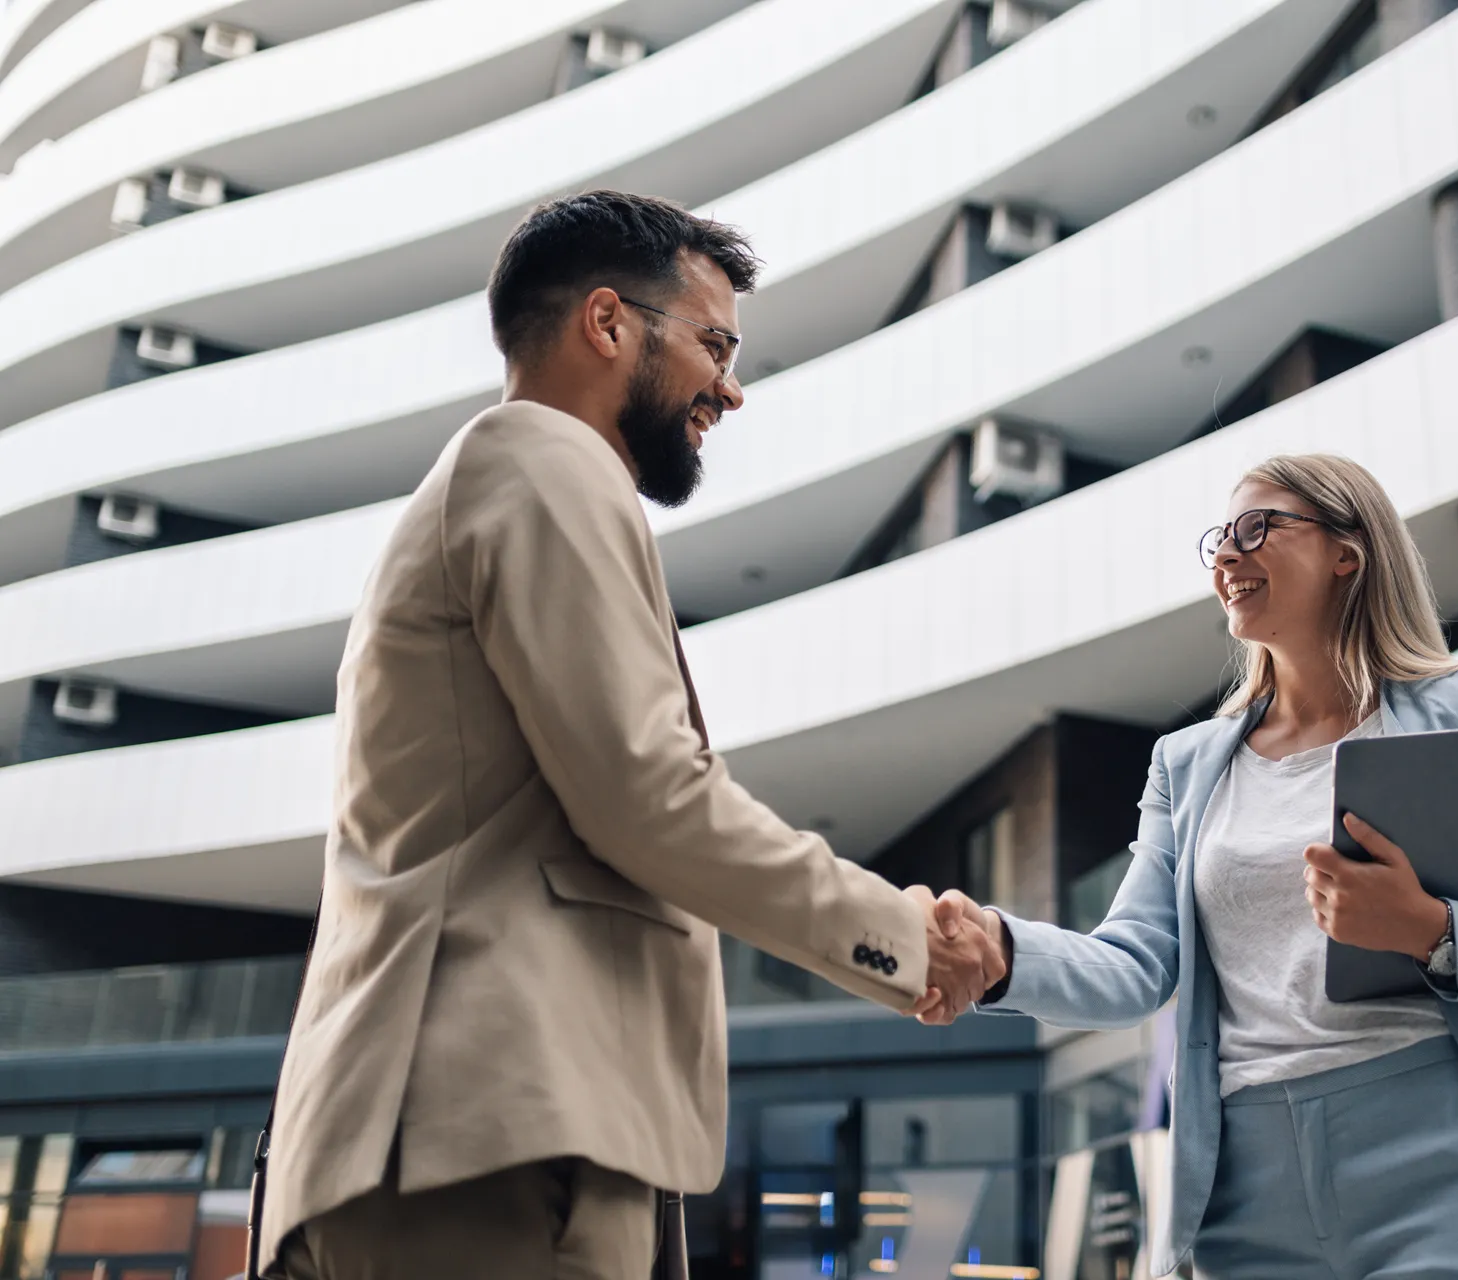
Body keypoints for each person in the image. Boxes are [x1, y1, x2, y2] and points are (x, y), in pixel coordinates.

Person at [258, 192, 1004, 1280]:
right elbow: (647, 791)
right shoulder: (542, 458)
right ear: (607, 324)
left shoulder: (493, 479)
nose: (731, 388)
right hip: (494, 1138)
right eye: (713, 344)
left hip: (462, 1136)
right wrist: (900, 932)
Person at [923, 453, 1458, 1279]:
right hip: (1243, 1191)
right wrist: (1004, 954)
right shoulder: (1186, 765)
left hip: (1450, 1165)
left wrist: (1434, 933)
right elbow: (1135, 963)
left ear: (1350, 549)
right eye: (1218, 541)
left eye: (1257, 529)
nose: (1226, 556)